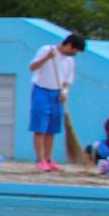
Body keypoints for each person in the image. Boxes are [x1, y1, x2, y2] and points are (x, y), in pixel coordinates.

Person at [28, 31, 85, 172]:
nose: (73, 54)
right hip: (41, 90)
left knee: (51, 129)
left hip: (56, 93)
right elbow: (32, 67)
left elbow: (67, 81)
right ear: (69, 45)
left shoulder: (70, 60)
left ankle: (48, 159)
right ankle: (39, 160)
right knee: (40, 128)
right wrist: (47, 58)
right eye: (74, 50)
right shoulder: (47, 50)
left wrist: (65, 92)